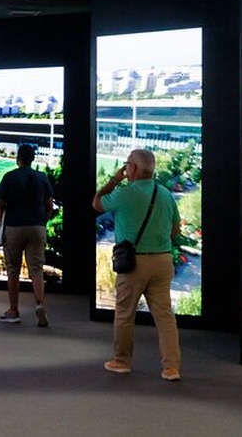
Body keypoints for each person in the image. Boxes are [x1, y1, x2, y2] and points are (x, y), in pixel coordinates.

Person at [92, 148, 182, 381]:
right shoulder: (165, 194)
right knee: (164, 316)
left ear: (131, 168)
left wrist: (114, 179)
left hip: (134, 264)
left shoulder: (124, 194)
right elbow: (175, 229)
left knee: (124, 314)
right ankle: (171, 368)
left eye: (127, 164)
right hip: (163, 260)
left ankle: (122, 361)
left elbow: (97, 203)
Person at [0, 144, 54, 327]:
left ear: (18, 158)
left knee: (13, 270)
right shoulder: (42, 177)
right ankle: (39, 303)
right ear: (33, 158)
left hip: (14, 226)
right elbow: (49, 205)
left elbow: (1, 205)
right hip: (37, 226)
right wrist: (42, 221)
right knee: (36, 269)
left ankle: (13, 311)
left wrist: (0, 224)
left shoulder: (9, 177)